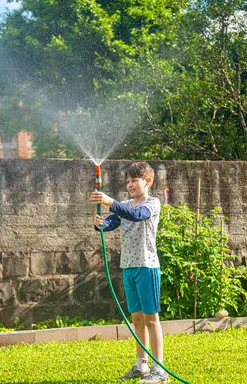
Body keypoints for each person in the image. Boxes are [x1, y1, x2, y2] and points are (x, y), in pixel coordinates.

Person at [90, 161, 169, 383]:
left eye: (134, 180)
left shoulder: (152, 204)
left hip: (147, 267)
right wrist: (99, 224)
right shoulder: (124, 205)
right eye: (128, 181)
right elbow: (111, 223)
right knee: (137, 320)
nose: (130, 185)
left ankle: (159, 369)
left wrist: (109, 201)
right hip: (129, 268)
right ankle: (141, 366)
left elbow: (137, 215)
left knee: (151, 319)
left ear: (148, 181)